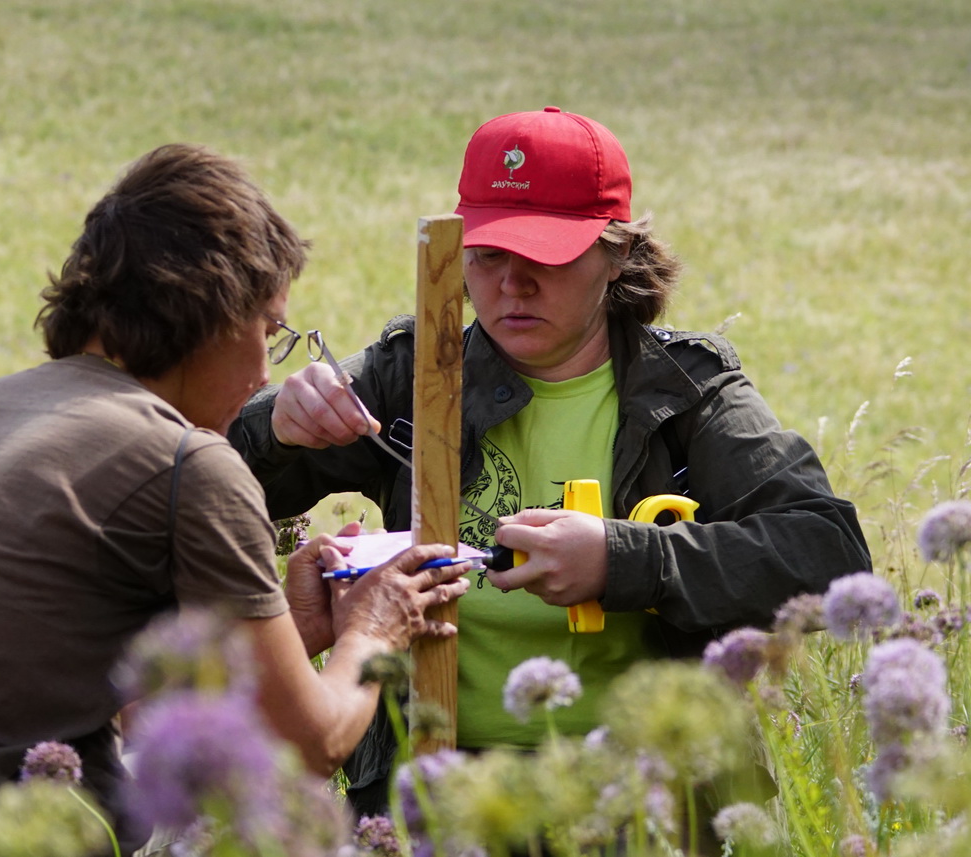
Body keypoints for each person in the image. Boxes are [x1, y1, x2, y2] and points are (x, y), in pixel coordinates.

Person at [229, 107, 872, 814]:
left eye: (547, 256)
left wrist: (625, 560)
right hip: (433, 789)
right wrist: (279, 425)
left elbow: (830, 553)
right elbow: (204, 479)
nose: (513, 284)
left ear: (617, 252)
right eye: (488, 255)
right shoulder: (414, 372)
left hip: (640, 793)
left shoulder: (688, 390)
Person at [0, 143, 470, 856]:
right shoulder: (187, 461)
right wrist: (374, 628)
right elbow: (317, 742)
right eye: (269, 329)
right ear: (215, 312)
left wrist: (289, 630)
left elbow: (97, 705)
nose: (267, 367)